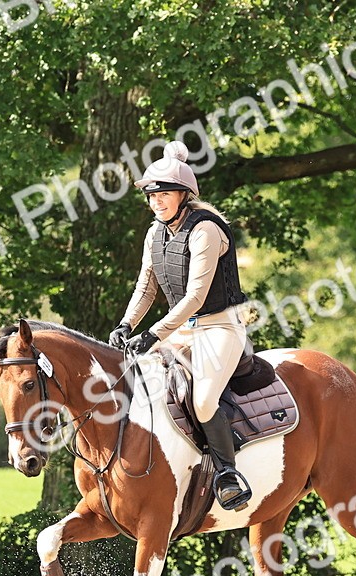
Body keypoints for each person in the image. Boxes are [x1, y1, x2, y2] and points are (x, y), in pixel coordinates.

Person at [108, 141, 252, 511]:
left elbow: (196, 297)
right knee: (136, 383)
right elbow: (146, 286)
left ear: (184, 195)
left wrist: (153, 334)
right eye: (152, 196)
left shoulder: (205, 229)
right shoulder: (155, 233)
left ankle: (228, 474)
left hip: (221, 326)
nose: (156, 201)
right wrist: (126, 324)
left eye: (164, 194)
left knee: (203, 400)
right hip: (181, 328)